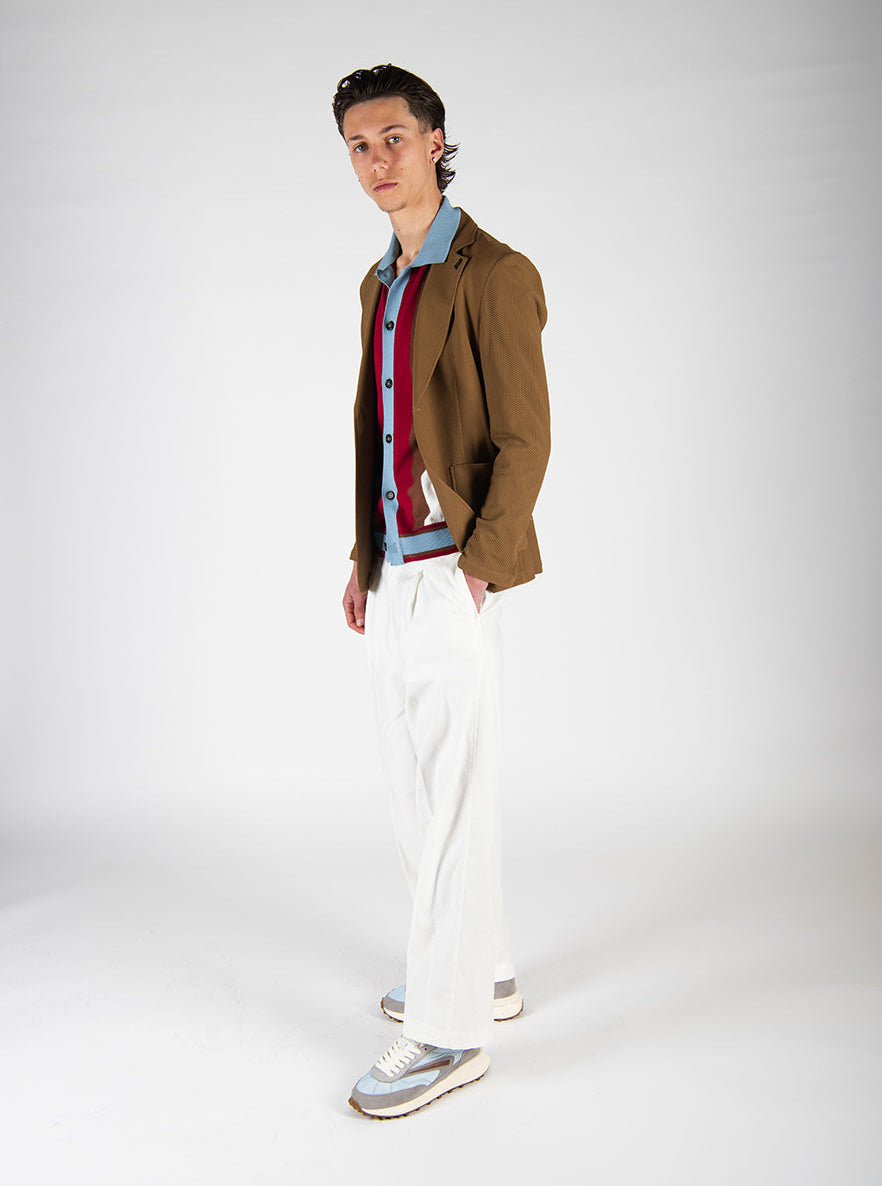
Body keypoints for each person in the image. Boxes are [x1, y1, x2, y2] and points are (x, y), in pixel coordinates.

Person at [333, 63, 551, 1119]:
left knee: (457, 800)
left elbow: (525, 437)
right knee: (413, 795)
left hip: (454, 570)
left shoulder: (492, 272)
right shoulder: (380, 282)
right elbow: (384, 434)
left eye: (393, 138)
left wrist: (480, 569)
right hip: (392, 570)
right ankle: (483, 969)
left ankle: (451, 1032)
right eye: (358, 147)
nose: (377, 161)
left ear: (435, 141)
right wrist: (359, 554)